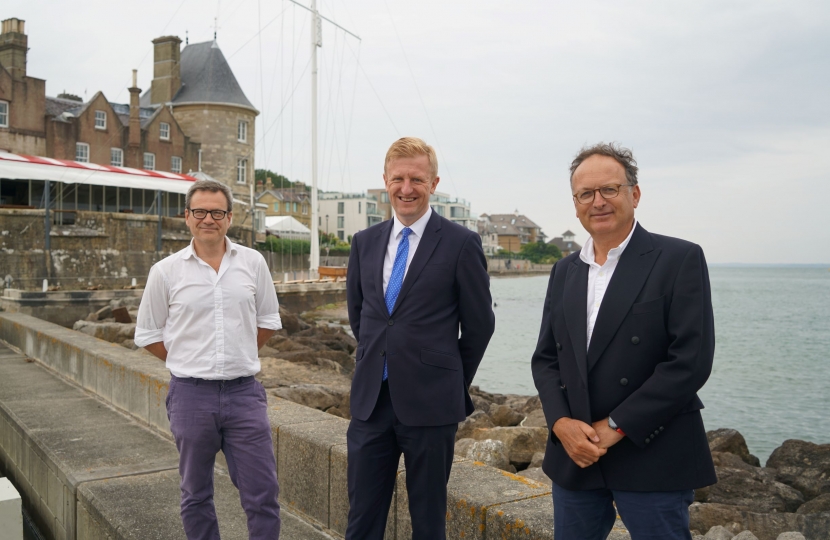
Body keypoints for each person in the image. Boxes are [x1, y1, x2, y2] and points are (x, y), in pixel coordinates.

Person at [531, 143, 716, 540]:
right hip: (577, 457)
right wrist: (561, 424)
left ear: (634, 194)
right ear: (576, 204)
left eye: (609, 190)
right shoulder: (564, 270)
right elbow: (546, 359)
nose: (597, 202)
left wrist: (617, 426)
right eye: (586, 194)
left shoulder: (678, 258)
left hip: (652, 451)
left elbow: (690, 361)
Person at [345, 137, 495, 539]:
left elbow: (480, 325)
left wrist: (448, 378)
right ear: (385, 181)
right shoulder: (364, 243)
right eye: (398, 179)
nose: (406, 188)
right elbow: (360, 317)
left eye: (416, 179)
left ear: (434, 182)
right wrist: (379, 358)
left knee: (429, 521)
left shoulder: (462, 243)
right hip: (370, 402)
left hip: (432, 405)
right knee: (361, 517)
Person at [135, 179, 282, 540]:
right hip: (190, 396)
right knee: (196, 494)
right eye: (199, 211)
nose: (208, 219)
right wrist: (186, 358)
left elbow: (268, 321)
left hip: (244, 395)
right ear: (186, 217)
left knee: (263, 495)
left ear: (229, 217)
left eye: (217, 212)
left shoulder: (253, 262)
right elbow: (148, 333)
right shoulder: (165, 271)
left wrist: (239, 351)